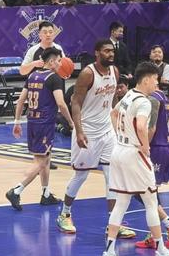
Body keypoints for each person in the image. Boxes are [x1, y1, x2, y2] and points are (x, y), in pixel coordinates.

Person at [101, 62, 169, 256]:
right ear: (146, 79)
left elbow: (112, 114)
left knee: (121, 202)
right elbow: (140, 126)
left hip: (119, 150)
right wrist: (145, 146)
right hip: (134, 153)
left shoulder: (128, 95)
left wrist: (121, 136)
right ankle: (161, 251)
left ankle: (109, 252)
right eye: (155, 79)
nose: (157, 83)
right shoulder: (144, 102)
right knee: (151, 202)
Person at [57, 40, 135, 239]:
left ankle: (113, 223)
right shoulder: (88, 73)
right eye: (107, 51)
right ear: (97, 53)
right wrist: (78, 130)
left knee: (112, 175)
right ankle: (65, 213)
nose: (111, 54)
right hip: (88, 130)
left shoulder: (115, 71)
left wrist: (118, 124)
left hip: (107, 131)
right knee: (81, 175)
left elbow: (113, 100)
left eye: (112, 51)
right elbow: (75, 102)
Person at [7, 48, 73, 210]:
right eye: (58, 60)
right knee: (41, 161)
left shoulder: (32, 76)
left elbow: (21, 100)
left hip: (32, 122)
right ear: (51, 62)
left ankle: (45, 194)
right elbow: (61, 103)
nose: (60, 64)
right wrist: (71, 122)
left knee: (46, 157)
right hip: (45, 123)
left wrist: (17, 121)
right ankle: (16, 190)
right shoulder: (54, 78)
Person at [135, 87, 169, 249]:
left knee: (141, 190)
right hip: (165, 146)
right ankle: (155, 234)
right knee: (149, 191)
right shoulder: (162, 95)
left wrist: (143, 146)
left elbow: (151, 128)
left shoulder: (152, 98)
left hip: (156, 147)